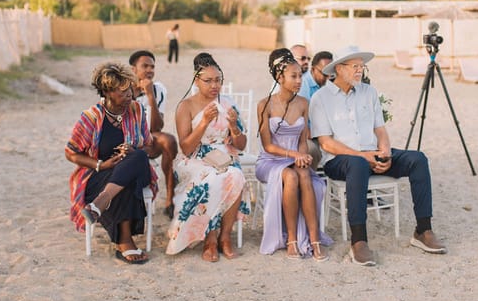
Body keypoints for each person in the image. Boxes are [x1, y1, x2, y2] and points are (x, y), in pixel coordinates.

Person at [309, 45, 446, 266]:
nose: (359, 71)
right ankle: (359, 241)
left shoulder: (369, 92)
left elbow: (380, 130)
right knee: (358, 164)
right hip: (340, 160)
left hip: (372, 153)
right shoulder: (320, 98)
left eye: (361, 67)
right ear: (340, 69)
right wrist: (362, 156)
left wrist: (385, 152)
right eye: (355, 67)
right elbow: (326, 142)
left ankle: (423, 230)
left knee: (418, 159)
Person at [65, 63, 158, 264]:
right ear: (107, 92)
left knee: (138, 157)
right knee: (124, 183)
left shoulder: (137, 110)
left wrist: (135, 151)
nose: (129, 96)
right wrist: (101, 165)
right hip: (100, 174)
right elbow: (71, 152)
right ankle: (125, 241)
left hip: (138, 170)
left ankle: (100, 203)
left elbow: (151, 148)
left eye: (130, 91)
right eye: (123, 92)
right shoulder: (90, 117)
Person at [166, 52, 248, 261]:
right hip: (194, 158)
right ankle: (210, 239)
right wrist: (203, 122)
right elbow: (185, 148)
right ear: (196, 81)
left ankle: (225, 237)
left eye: (218, 80)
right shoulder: (186, 106)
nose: (214, 85)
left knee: (236, 176)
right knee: (211, 178)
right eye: (208, 81)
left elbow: (241, 145)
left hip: (223, 155)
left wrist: (233, 127)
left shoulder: (228, 104)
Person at [255, 49, 332, 261]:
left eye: (300, 76)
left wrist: (303, 156)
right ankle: (291, 239)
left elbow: (302, 141)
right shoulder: (265, 105)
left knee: (304, 174)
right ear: (279, 77)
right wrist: (293, 155)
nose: (299, 81)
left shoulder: (303, 104)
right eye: (294, 76)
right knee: (290, 176)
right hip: (271, 160)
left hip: (295, 155)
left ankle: (314, 239)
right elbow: (267, 146)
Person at [129, 50, 178, 216]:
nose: (149, 70)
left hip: (149, 137)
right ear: (133, 69)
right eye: (145, 66)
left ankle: (170, 197)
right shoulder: (122, 90)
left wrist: (150, 96)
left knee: (169, 141)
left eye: (152, 67)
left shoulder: (158, 89)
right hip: (126, 140)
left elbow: (157, 126)